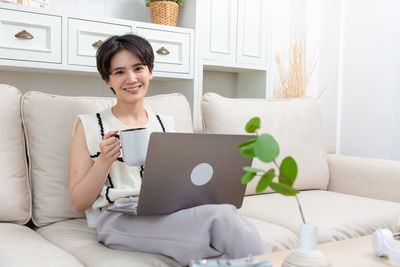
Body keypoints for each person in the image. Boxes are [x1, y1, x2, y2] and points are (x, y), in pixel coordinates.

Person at [69, 34, 269, 265]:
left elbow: (182, 182)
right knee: (222, 217)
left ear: (150, 72)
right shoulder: (89, 125)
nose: (131, 78)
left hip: (166, 211)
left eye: (138, 68)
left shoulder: (165, 123)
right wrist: (104, 160)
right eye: (120, 72)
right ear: (108, 80)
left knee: (222, 222)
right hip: (119, 217)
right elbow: (78, 202)